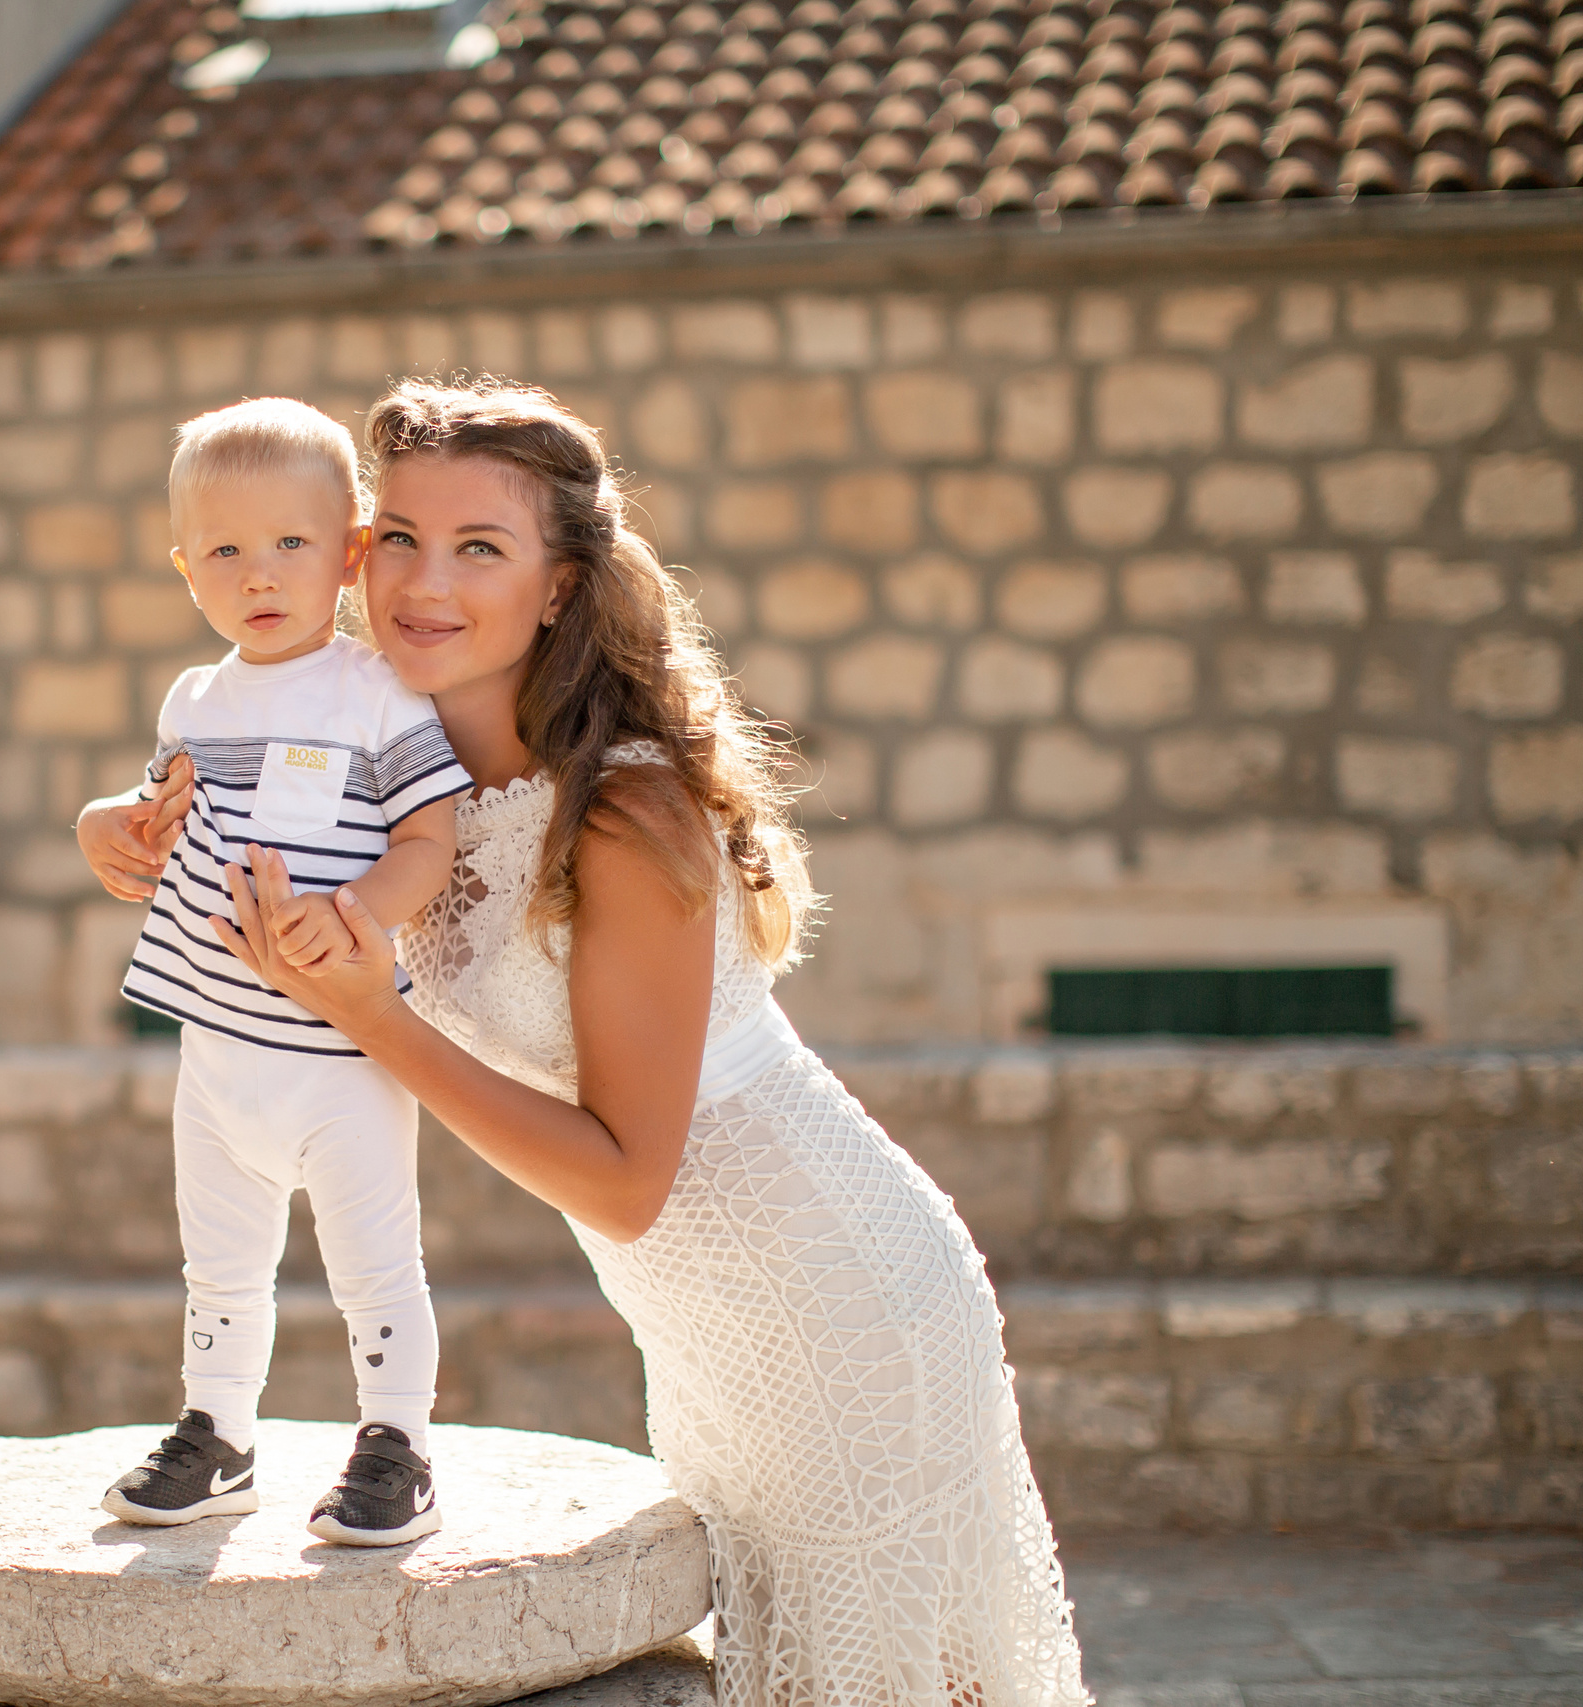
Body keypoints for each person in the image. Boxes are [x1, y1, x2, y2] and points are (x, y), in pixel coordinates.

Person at [193, 380, 1092, 1703]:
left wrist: (370, 1012)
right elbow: (219, 774)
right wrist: (123, 832)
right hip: (704, 1342)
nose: (424, 582)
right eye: (398, 536)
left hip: (844, 1312)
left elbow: (625, 1177)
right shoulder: (394, 771)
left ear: (559, 586)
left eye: (480, 548)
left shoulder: (626, 814)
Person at [73, 397, 473, 1545]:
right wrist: (107, 824)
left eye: (292, 543)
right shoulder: (195, 701)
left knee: (374, 1264)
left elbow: (428, 839)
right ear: (185, 568)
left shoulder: (376, 694)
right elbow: (155, 814)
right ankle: (218, 1434)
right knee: (221, 1264)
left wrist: (357, 914)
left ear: (349, 550)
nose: (261, 573)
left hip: (343, 1049)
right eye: (226, 551)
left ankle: (398, 1441)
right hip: (217, 1047)